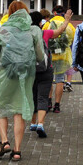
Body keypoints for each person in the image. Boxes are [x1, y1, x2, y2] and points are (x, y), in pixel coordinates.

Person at [0, 1, 45, 162]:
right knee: (19, 110)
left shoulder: (3, 29)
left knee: (0, 106)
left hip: (4, 73)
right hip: (25, 75)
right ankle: (17, 150)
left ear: (10, 12)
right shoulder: (33, 30)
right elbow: (40, 56)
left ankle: (5, 141)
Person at [29, 9, 73, 138]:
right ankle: (41, 124)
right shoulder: (45, 33)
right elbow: (60, 31)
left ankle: (32, 123)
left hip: (31, 70)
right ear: (40, 22)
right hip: (45, 69)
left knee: (33, 96)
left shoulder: (25, 34)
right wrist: (66, 20)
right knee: (43, 97)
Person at [44, 5, 75, 114]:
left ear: (54, 12)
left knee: (48, 79)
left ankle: (48, 101)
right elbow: (72, 39)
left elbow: (43, 38)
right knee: (60, 80)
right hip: (63, 56)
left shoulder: (47, 24)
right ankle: (57, 105)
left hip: (50, 56)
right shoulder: (69, 25)